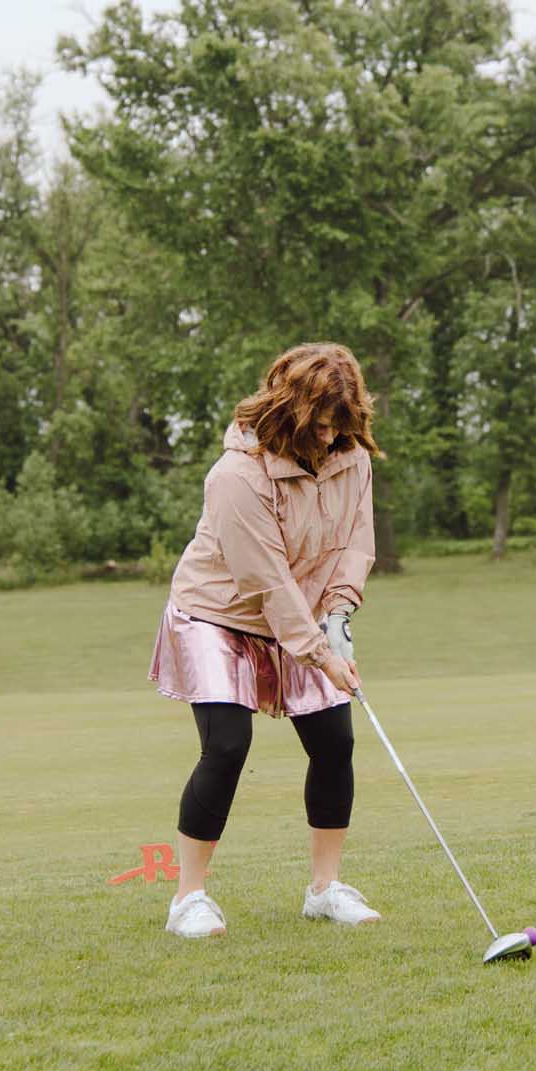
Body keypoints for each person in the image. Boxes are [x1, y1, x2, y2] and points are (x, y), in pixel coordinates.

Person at [148, 342, 383, 939]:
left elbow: (356, 541)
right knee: (227, 746)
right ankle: (188, 899)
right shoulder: (236, 476)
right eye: (321, 425)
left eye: (341, 425)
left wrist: (339, 615)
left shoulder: (351, 456)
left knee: (334, 741)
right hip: (219, 612)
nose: (331, 438)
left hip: (302, 612)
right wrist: (321, 653)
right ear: (291, 411)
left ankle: (325, 890)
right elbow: (266, 581)